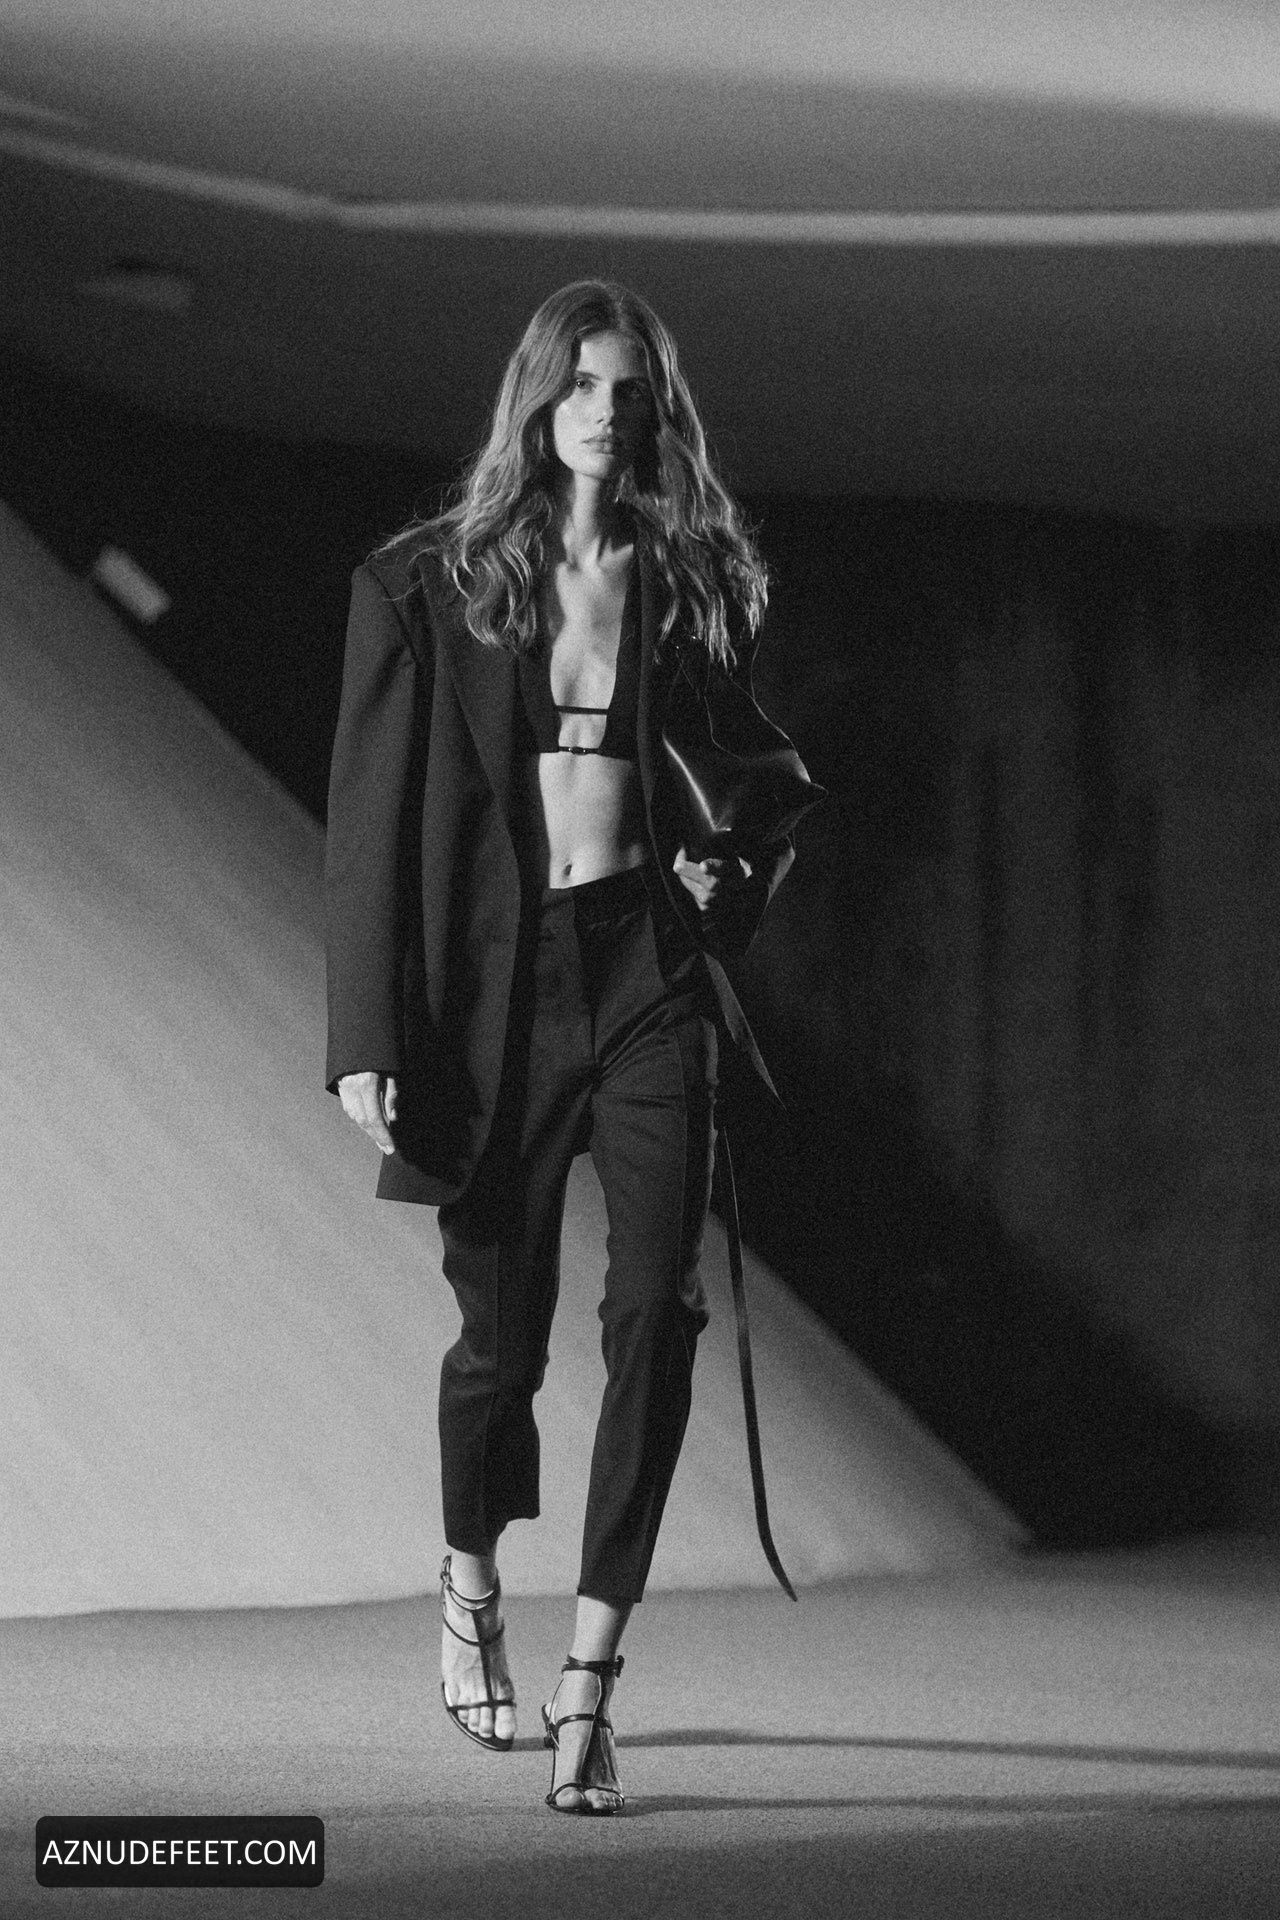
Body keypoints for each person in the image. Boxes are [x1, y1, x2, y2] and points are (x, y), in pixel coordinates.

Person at [324, 279, 794, 1815]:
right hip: (496, 1000)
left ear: (656, 410)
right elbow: (369, 829)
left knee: (657, 1312)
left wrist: (726, 880)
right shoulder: (424, 585)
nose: (604, 410)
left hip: (645, 978)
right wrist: (367, 1032)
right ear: (539, 397)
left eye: (628, 388)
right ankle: (470, 1582)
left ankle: (591, 1681)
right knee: (502, 1346)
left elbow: (752, 779)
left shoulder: (689, 580)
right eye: (581, 383)